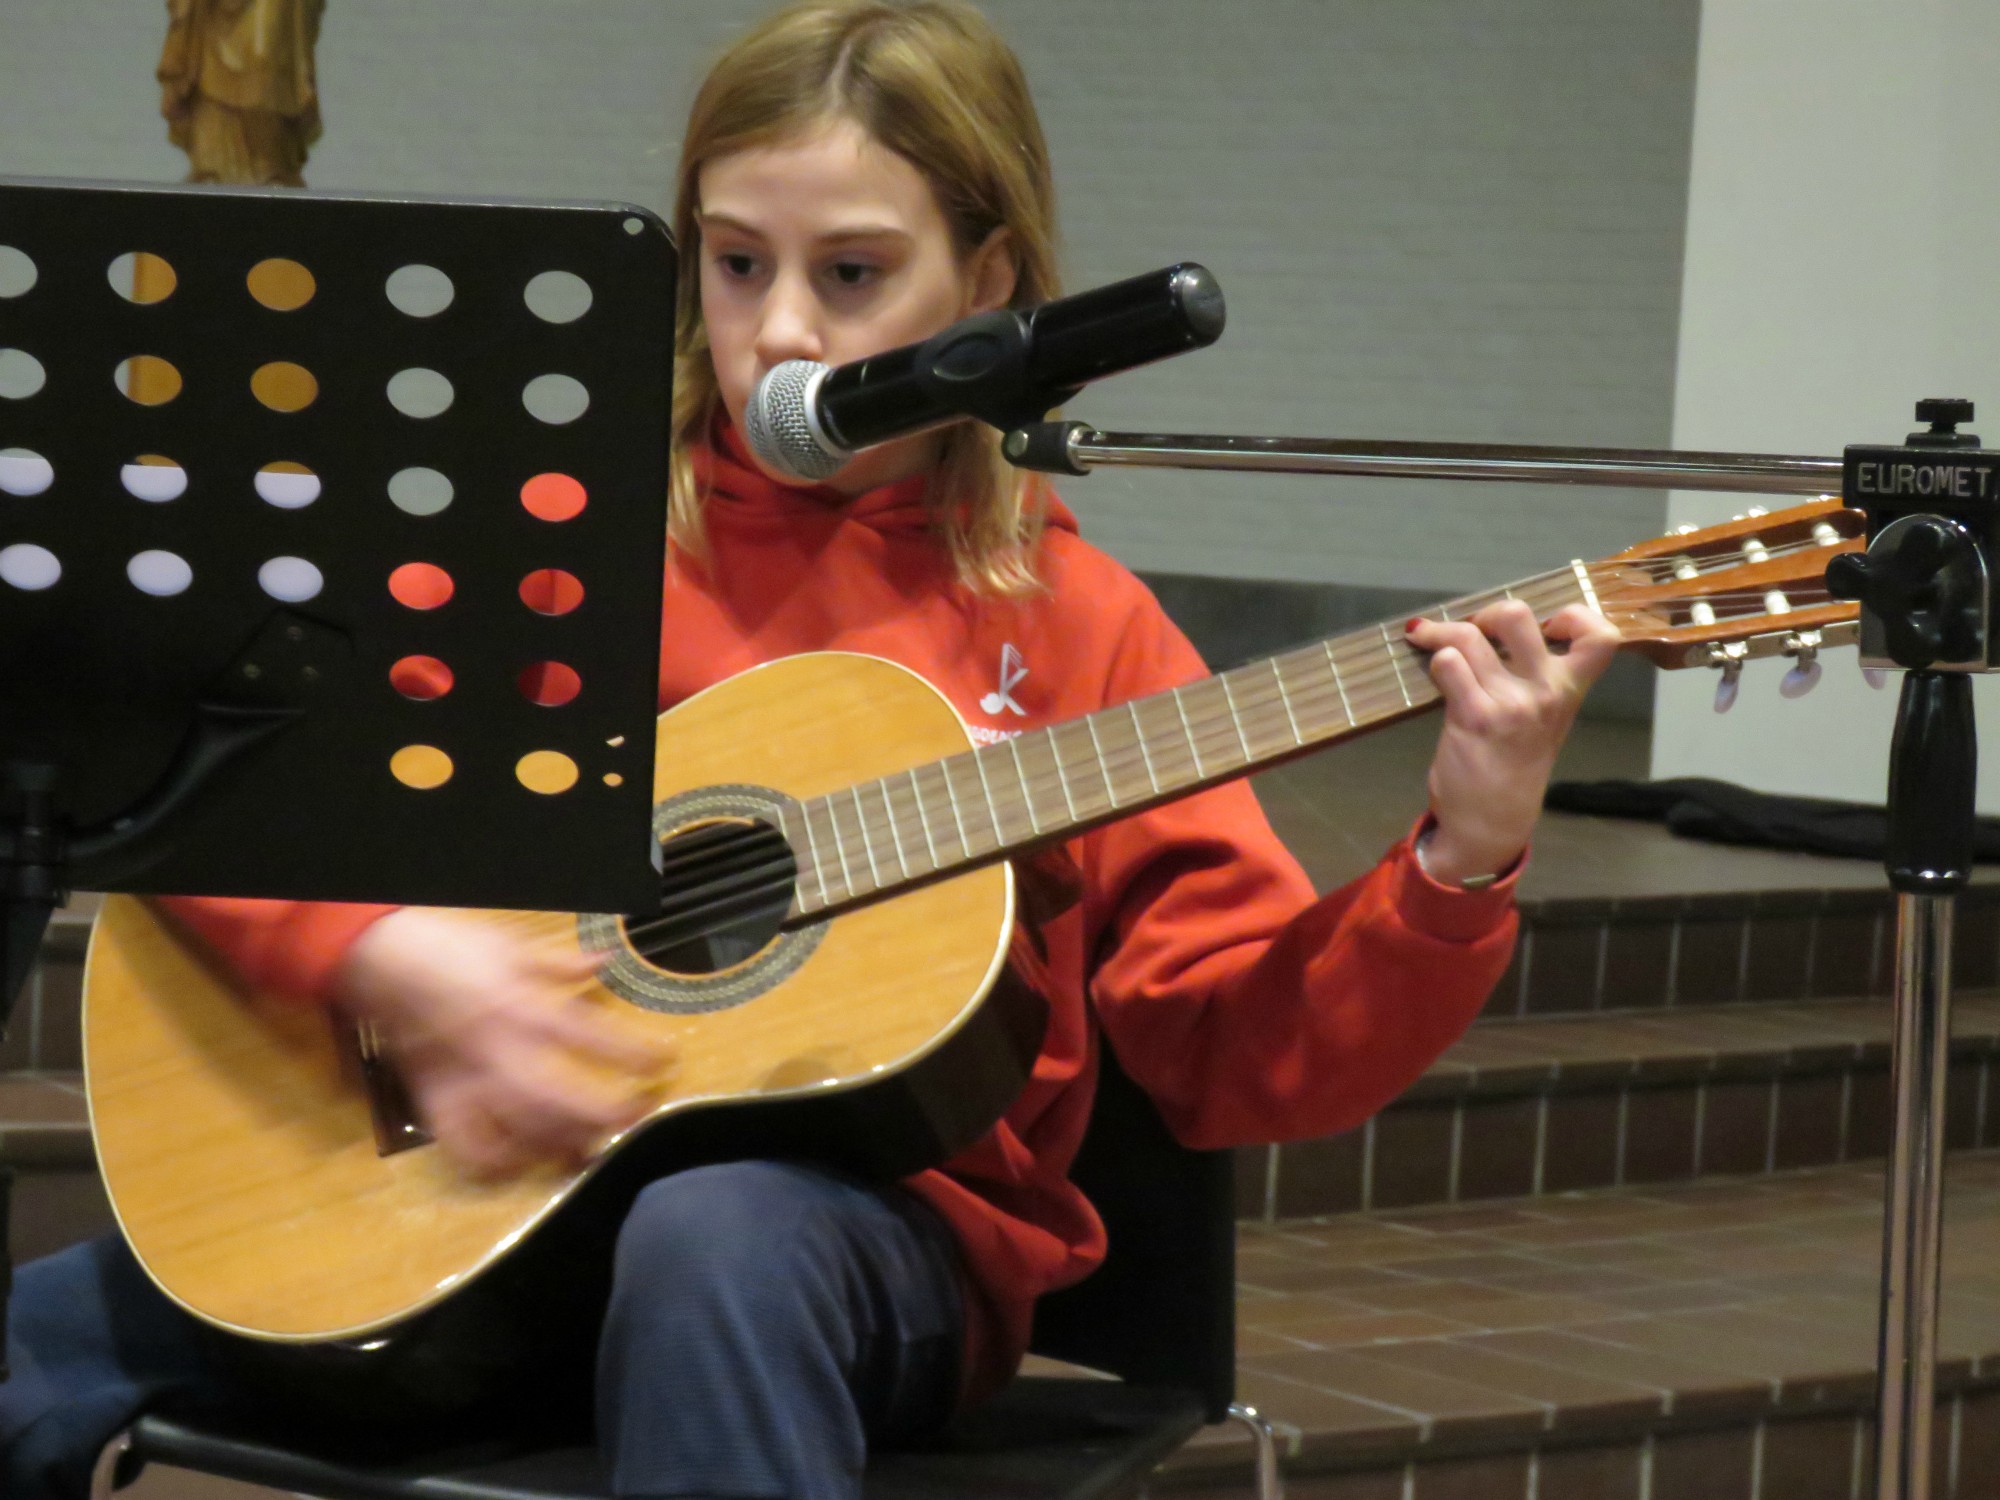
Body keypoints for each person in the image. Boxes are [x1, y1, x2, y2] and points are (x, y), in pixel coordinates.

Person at [0, 3, 1622, 1497]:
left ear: (989, 289)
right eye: (733, 263)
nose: (778, 333)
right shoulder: (564, 545)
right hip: (469, 1210)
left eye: (852, 275)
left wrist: (1456, 862)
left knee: (718, 1235)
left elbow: (1228, 1060)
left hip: (859, 1253)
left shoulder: (1078, 627)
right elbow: (199, 796)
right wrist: (383, 956)